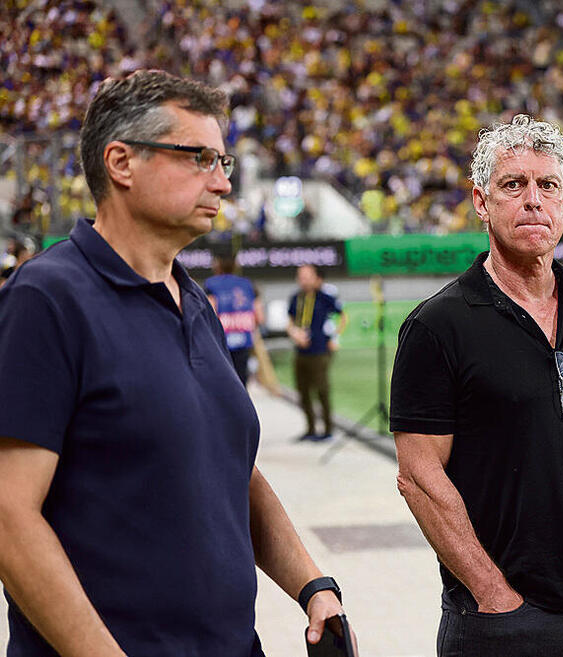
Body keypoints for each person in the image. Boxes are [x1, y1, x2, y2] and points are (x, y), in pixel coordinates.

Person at [0, 70, 355, 657]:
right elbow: (10, 516)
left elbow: (230, 471)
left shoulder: (194, 301)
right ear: (121, 162)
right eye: (199, 158)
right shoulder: (46, 298)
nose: (222, 183)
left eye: (224, 162)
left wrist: (311, 585)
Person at [389, 114, 563, 657]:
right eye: (513, 184)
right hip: (499, 621)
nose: (533, 200)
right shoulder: (438, 325)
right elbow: (418, 476)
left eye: (547, 185)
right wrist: (493, 593)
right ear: (481, 202)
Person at [287, 263, 346, 442]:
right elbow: (290, 322)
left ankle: (328, 430)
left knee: (322, 390)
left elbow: (342, 316)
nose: (303, 280)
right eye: (301, 277)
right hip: (301, 351)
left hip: (320, 351)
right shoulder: (296, 298)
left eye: (307, 277)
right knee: (303, 391)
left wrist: (334, 337)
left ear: (316, 278)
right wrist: (294, 334)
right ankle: (310, 429)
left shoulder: (325, 297)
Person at [205, 251, 264, 385]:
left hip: (220, 344)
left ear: (217, 265)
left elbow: (209, 314)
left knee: (222, 384)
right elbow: (260, 317)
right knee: (241, 383)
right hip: (243, 342)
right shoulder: (248, 284)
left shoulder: (211, 284)